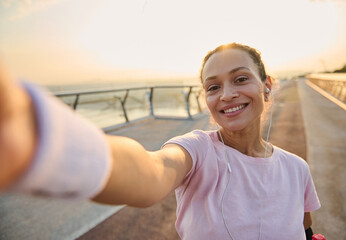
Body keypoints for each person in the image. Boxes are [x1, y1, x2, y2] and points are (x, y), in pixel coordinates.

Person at [0, 43, 320, 239]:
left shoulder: (297, 169)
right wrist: (44, 142)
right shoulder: (196, 150)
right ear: (205, 98)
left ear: (267, 85)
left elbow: (305, 229)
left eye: (240, 79)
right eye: (213, 87)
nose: (227, 94)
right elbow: (151, 172)